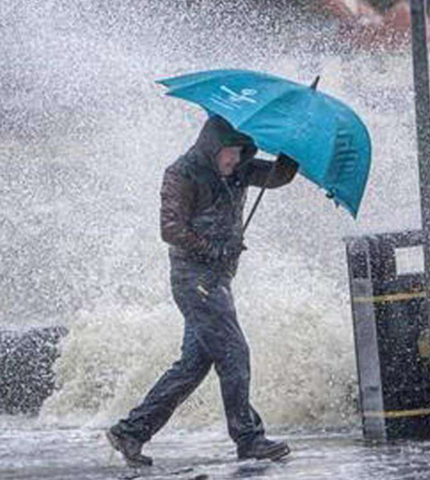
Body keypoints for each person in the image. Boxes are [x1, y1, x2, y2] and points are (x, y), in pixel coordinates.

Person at [106, 115, 299, 466]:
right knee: (234, 352)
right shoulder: (182, 173)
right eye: (229, 152)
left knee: (193, 365)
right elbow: (170, 229)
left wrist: (293, 149)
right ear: (212, 147)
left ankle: (131, 432)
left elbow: (277, 177)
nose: (235, 160)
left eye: (241, 152)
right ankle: (249, 438)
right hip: (194, 279)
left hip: (217, 280)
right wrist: (213, 249)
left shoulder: (239, 168)